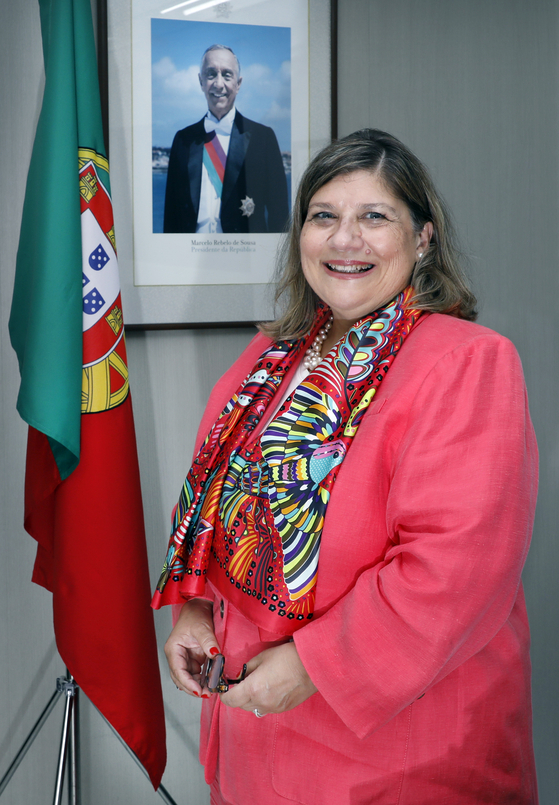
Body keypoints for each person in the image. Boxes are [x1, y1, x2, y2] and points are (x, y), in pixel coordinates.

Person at [153, 129, 538, 804]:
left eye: (374, 217)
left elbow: (453, 568)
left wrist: (311, 663)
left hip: (399, 749)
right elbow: (220, 508)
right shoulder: (266, 359)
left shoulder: (468, 360)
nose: (344, 238)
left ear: (421, 239)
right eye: (324, 215)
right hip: (254, 734)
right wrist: (194, 611)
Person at [163, 44, 289, 234]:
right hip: (190, 258)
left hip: (246, 259)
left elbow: (279, 217)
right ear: (201, 81)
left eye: (227, 75)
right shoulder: (182, 140)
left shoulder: (263, 139)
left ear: (238, 84)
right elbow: (171, 217)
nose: (219, 84)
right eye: (211, 74)